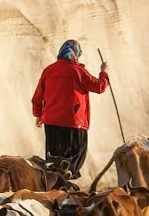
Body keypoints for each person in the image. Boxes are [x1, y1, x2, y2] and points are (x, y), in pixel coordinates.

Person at [30, 39, 110, 179]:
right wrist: (104, 72)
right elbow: (99, 87)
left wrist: (39, 114)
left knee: (54, 158)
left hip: (51, 122)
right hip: (73, 122)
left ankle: (56, 181)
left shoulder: (49, 70)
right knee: (76, 155)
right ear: (76, 53)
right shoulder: (78, 71)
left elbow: (37, 97)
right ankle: (67, 175)